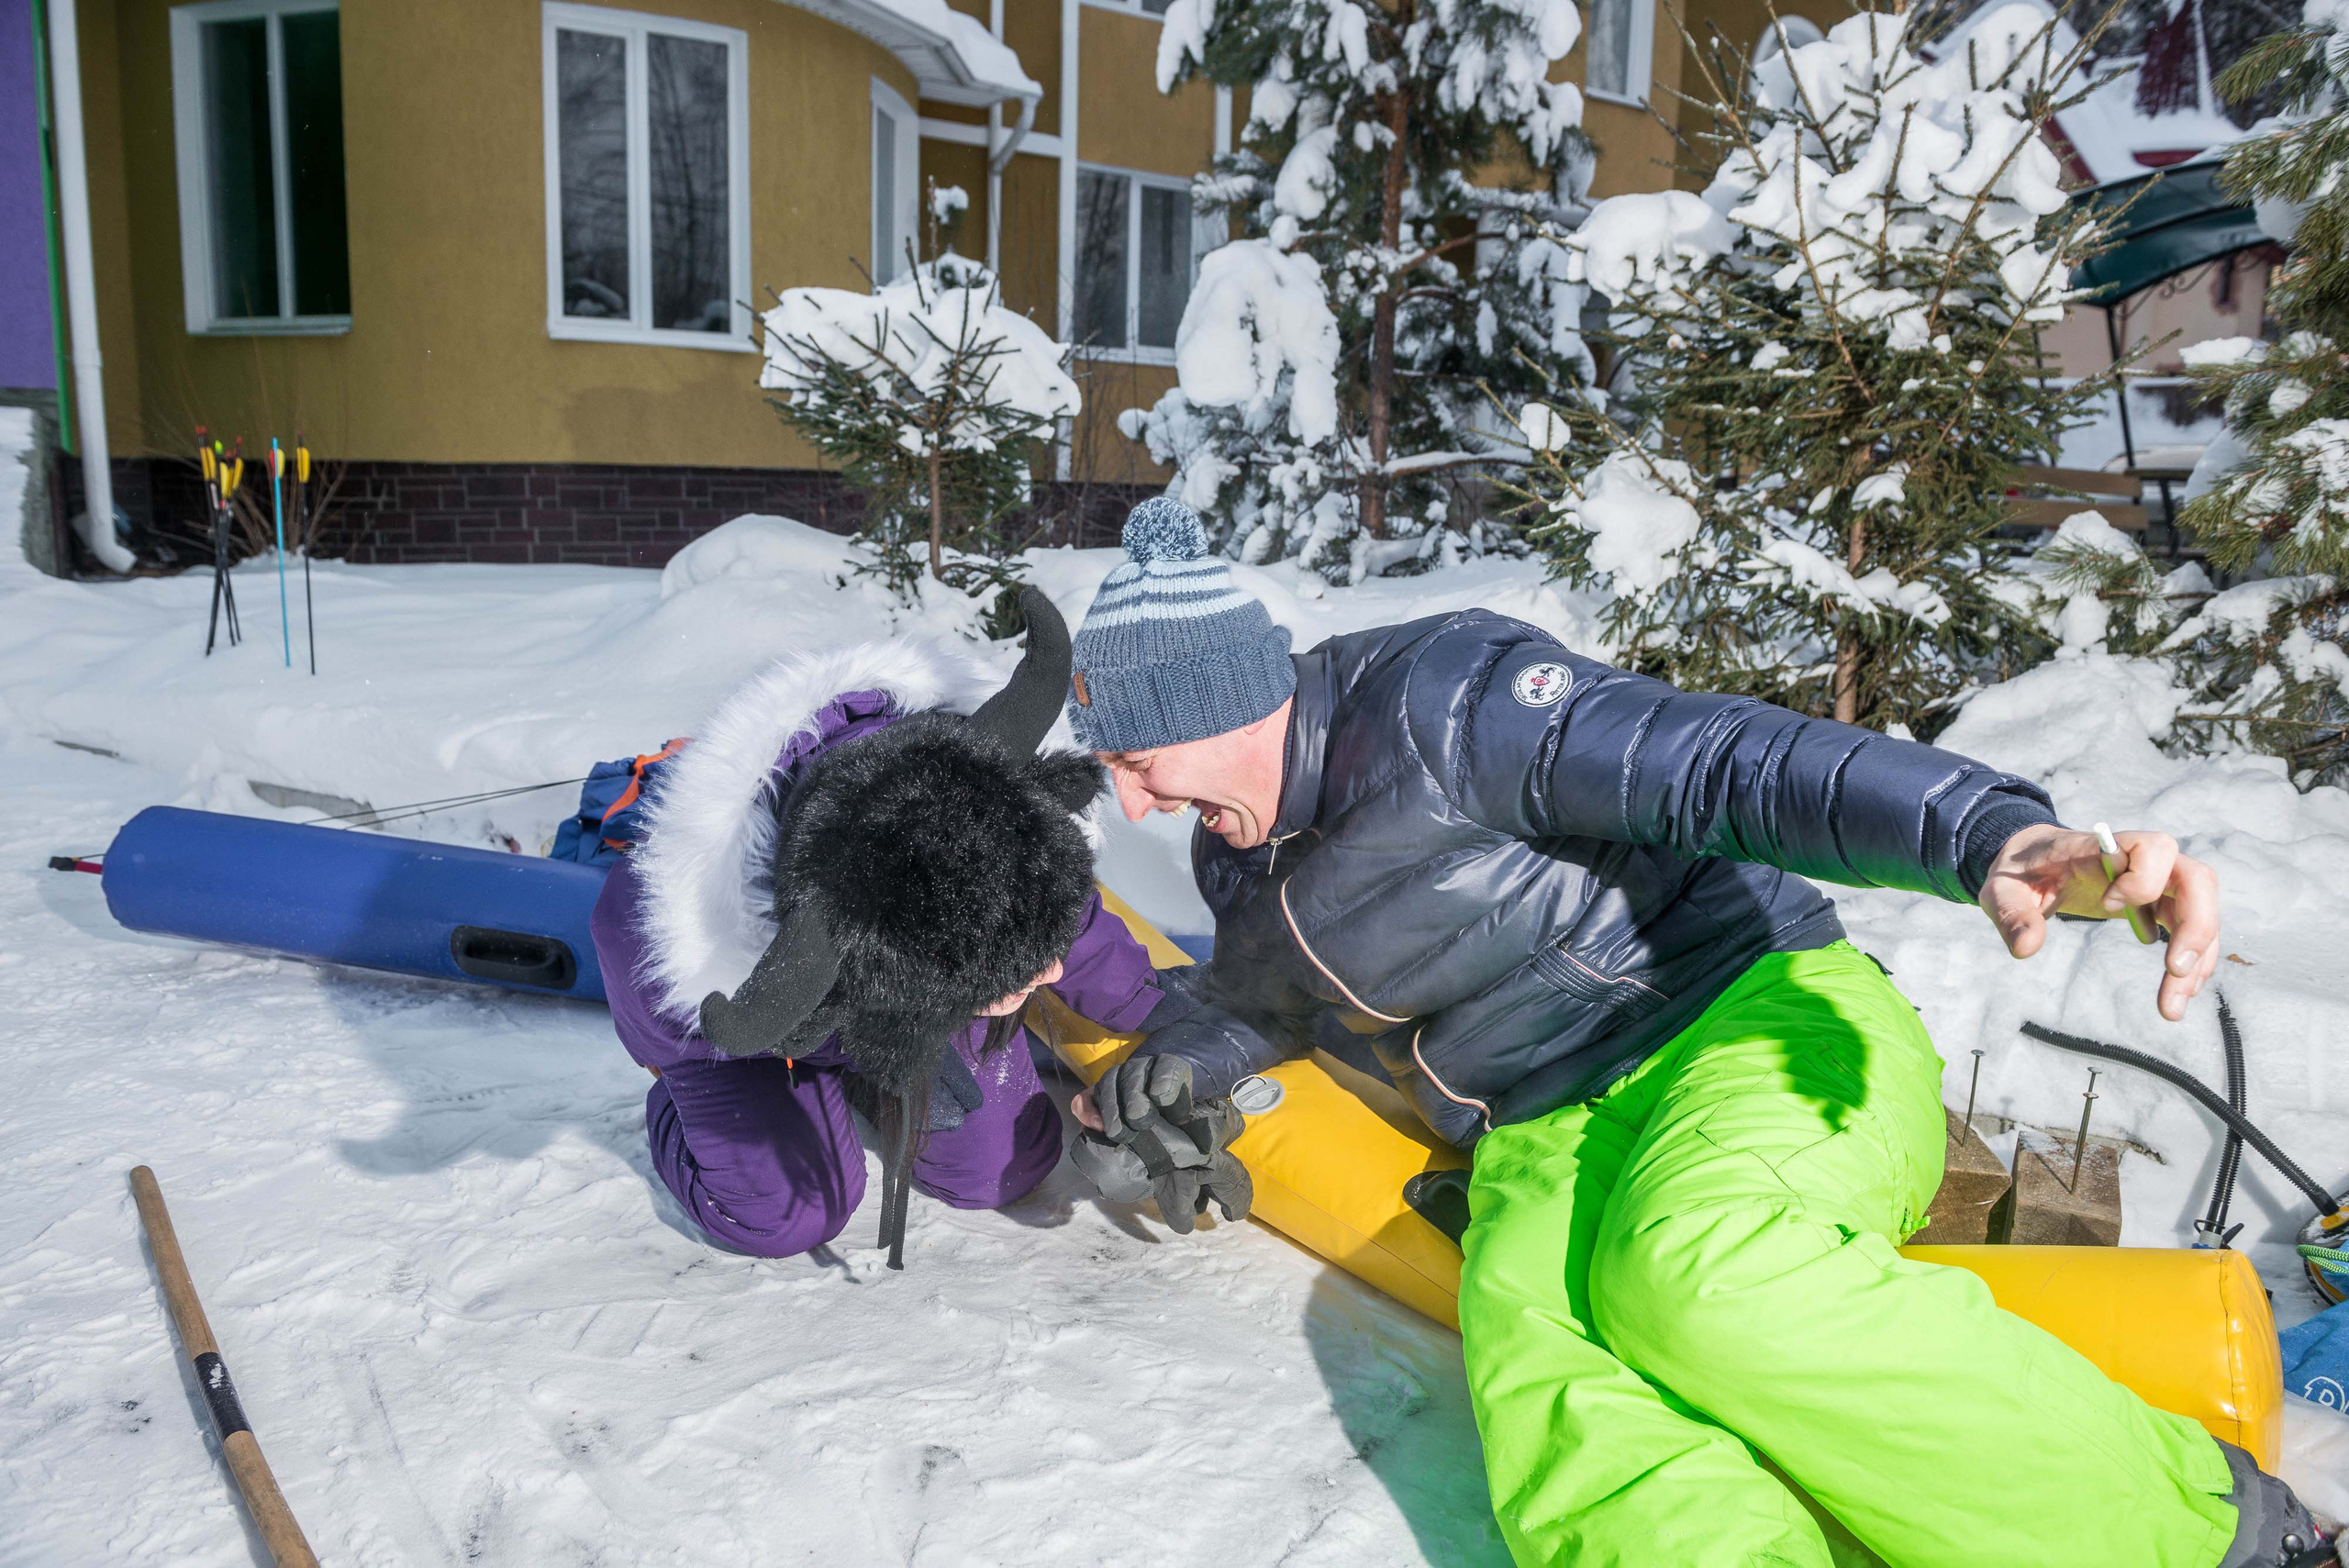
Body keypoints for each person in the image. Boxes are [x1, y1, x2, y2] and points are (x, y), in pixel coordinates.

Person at [1061, 497, 2331, 1568]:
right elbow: (1264, 1003)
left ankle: (2217, 1528)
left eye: (1136, 757)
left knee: (1701, 1275)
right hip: (1539, 1132)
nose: (1130, 798)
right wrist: (1182, 1066)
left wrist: (1989, 833)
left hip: (1750, 1018)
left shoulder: (1446, 699)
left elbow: (1727, 761)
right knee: (1566, 1407)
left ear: (1227, 700)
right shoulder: (1237, 863)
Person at [589, 591, 1161, 1266]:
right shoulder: (667, 928)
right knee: (787, 1214)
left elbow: (1061, 921)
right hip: (752, 1029)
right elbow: (660, 1008)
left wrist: (1159, 1021)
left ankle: (874, 1063)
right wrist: (680, 1066)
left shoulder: (989, 818)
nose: (1052, 976)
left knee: (1008, 1164)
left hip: (902, 979)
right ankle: (689, 1115)